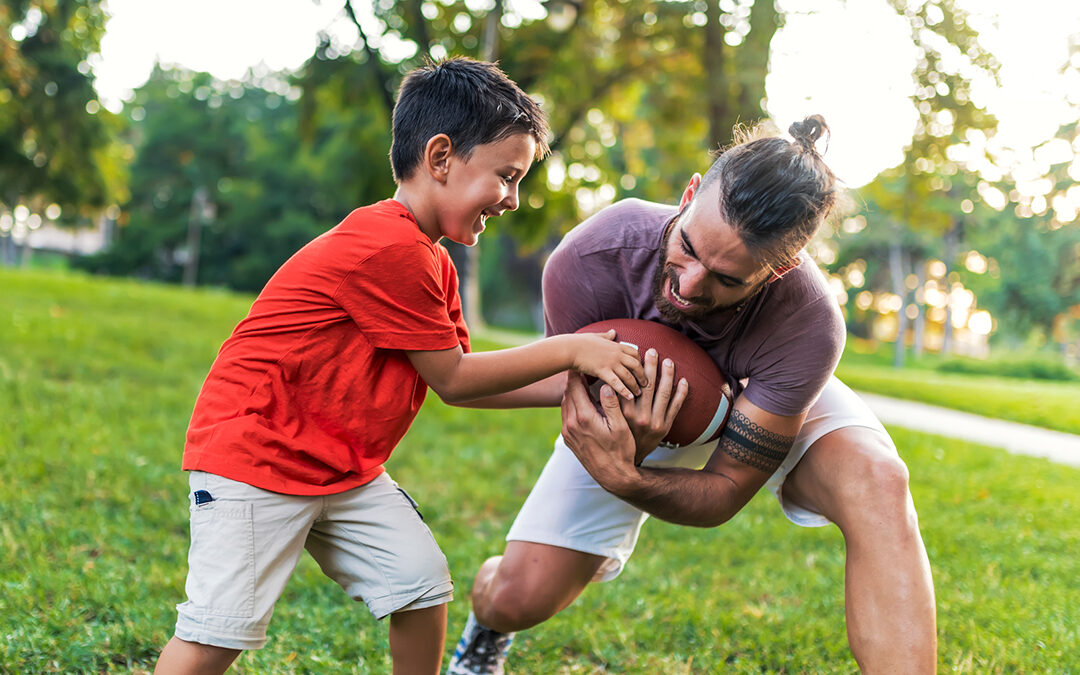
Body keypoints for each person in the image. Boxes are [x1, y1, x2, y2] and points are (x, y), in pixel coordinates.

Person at [152, 57, 648, 675]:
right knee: (216, 633)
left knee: (419, 585)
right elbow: (455, 378)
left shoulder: (432, 261)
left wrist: (579, 385)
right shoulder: (389, 247)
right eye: (506, 175)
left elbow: (461, 381)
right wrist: (574, 348)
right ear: (441, 157)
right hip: (259, 460)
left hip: (341, 467)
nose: (514, 199)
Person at [448, 116, 937, 674]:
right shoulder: (592, 257)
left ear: (779, 270)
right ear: (687, 196)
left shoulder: (808, 322)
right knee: (516, 600)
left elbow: (725, 490)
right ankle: (487, 628)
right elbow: (575, 402)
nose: (688, 287)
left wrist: (629, 481)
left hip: (758, 389)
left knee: (878, 478)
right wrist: (622, 453)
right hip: (631, 394)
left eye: (728, 279)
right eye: (688, 248)